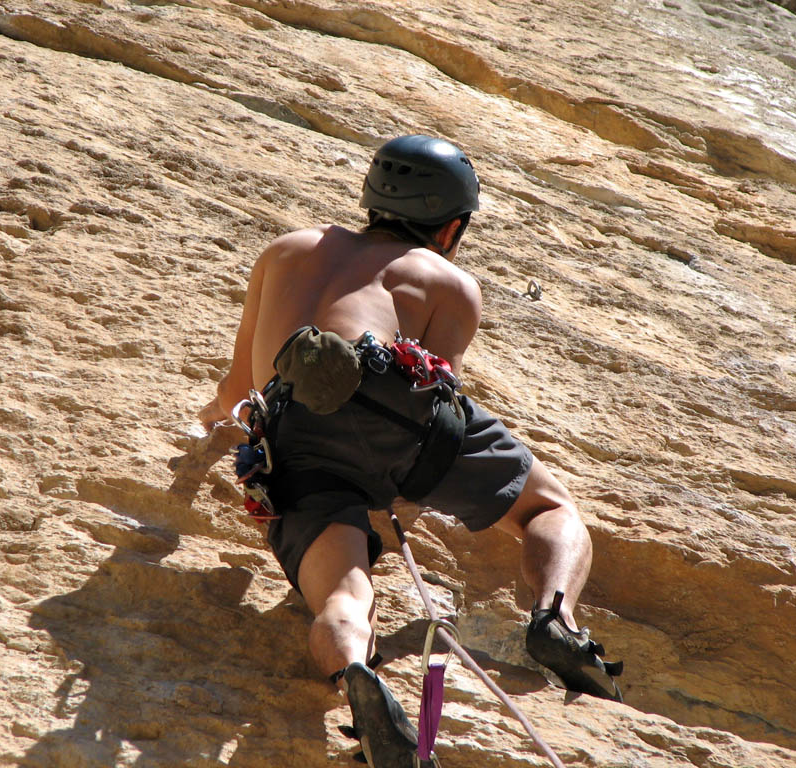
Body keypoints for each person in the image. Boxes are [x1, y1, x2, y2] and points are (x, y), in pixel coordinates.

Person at [197, 135, 622, 767]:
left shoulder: (284, 251)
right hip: (394, 413)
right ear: (451, 226)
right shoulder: (447, 281)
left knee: (342, 596)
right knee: (549, 510)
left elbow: (236, 392)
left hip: (294, 433)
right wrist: (400, 502)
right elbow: (434, 397)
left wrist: (204, 441)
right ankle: (555, 617)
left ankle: (355, 674)